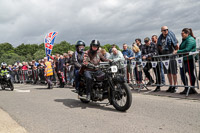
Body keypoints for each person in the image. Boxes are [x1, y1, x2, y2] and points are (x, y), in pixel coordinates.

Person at [174, 28, 197, 94]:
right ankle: (186, 88)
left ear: (187, 33)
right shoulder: (184, 40)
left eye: (182, 33)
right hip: (183, 60)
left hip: (189, 59)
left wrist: (177, 51)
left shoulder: (190, 39)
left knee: (190, 74)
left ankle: (192, 88)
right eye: (181, 33)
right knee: (182, 74)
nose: (181, 34)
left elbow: (187, 49)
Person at [157, 26, 179, 93]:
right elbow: (159, 45)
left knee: (174, 72)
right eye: (164, 30)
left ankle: (175, 86)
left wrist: (176, 50)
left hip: (171, 55)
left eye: (167, 29)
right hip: (165, 56)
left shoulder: (171, 35)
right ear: (161, 31)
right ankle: (171, 85)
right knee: (168, 72)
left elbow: (176, 44)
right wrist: (161, 51)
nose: (166, 31)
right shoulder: (160, 37)